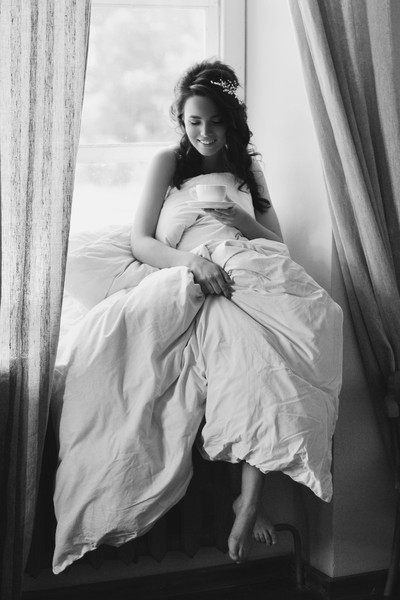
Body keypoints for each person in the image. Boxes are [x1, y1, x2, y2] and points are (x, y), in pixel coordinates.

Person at [52, 60, 342, 574]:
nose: (204, 132)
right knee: (244, 349)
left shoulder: (249, 169)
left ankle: (248, 497)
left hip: (249, 262)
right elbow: (141, 241)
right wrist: (193, 263)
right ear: (181, 122)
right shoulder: (167, 162)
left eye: (215, 121)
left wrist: (245, 220)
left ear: (231, 122)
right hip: (194, 267)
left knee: (302, 330)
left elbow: (278, 243)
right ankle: (246, 496)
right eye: (194, 122)